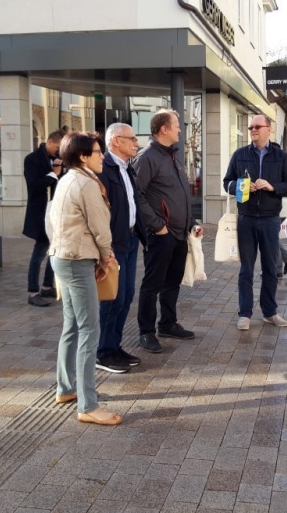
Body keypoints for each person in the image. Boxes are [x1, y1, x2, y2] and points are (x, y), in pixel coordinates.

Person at [48, 131, 122, 426]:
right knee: (90, 330)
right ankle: (88, 405)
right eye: (97, 151)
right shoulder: (87, 183)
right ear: (82, 156)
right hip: (77, 260)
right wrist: (106, 257)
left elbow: (53, 222)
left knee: (72, 326)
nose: (102, 156)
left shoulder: (67, 179)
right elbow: (100, 227)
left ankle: (66, 389)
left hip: (63, 257)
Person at [133, 109, 202, 353]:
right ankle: (146, 331)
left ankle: (168, 324)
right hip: (161, 235)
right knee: (152, 284)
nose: (180, 129)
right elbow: (137, 195)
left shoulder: (172, 156)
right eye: (176, 125)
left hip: (179, 233)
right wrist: (157, 225)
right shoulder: (147, 157)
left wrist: (192, 222)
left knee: (172, 282)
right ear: (163, 129)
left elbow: (180, 195)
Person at [223, 115, 287, 331]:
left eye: (257, 126)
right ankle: (244, 314)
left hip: (270, 219)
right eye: (250, 127)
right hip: (246, 218)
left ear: (268, 129)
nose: (253, 130)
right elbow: (227, 183)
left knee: (270, 269)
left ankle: (269, 312)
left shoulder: (281, 157)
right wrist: (241, 185)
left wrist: (272, 187)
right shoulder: (240, 155)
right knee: (246, 270)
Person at [95, 123, 147, 373]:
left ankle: (114, 346)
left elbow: (133, 204)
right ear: (116, 140)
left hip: (130, 240)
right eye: (132, 139)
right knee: (112, 298)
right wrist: (105, 248)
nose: (136, 143)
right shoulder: (103, 168)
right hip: (114, 244)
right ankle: (102, 352)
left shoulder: (127, 168)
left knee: (125, 297)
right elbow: (100, 213)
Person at [23, 131, 64, 307]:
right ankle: (33, 291)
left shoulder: (59, 160)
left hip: (55, 211)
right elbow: (34, 186)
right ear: (49, 142)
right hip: (40, 213)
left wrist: (59, 172)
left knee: (54, 249)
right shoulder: (32, 159)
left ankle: (47, 286)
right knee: (40, 251)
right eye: (58, 147)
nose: (59, 151)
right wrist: (54, 173)